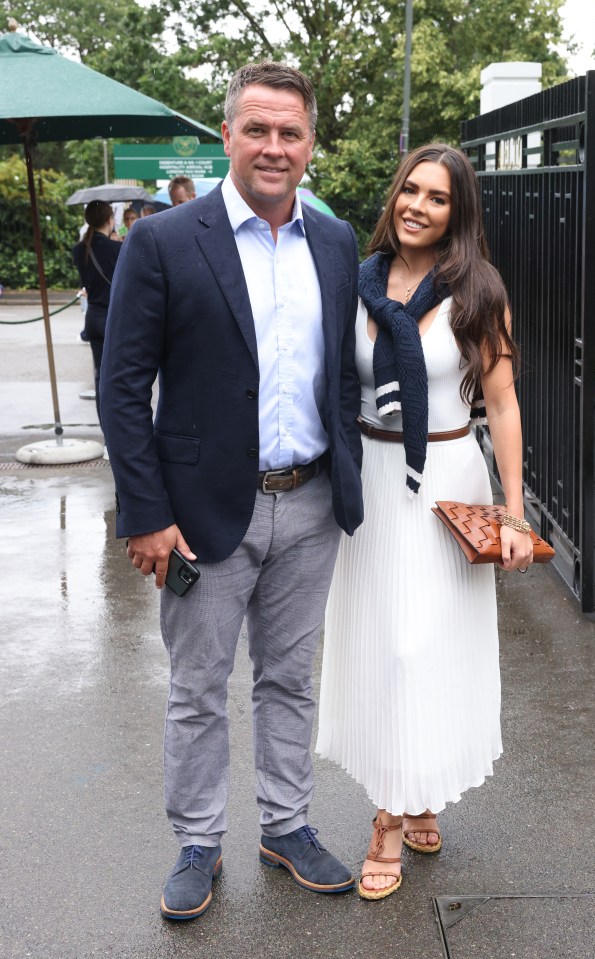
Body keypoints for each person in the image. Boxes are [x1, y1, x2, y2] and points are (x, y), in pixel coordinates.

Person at [99, 60, 363, 920]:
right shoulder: (164, 241)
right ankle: (198, 840)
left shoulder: (334, 242)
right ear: (227, 136)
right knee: (197, 685)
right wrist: (144, 512)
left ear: (310, 142)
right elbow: (122, 384)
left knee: (290, 679)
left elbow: (344, 379)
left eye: (290, 132)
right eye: (257, 129)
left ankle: (285, 824)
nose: (274, 147)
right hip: (201, 515)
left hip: (313, 502)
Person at [316, 142, 533, 900]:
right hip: (371, 483)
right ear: (394, 196)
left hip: (444, 481)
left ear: (456, 212)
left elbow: (500, 403)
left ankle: (390, 814)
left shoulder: (477, 290)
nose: (417, 205)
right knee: (383, 647)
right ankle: (406, 797)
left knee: (423, 650)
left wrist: (512, 509)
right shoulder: (356, 281)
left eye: (437, 197)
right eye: (410, 189)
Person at [72, 200, 121, 433]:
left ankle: (107, 438)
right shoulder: (117, 249)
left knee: (101, 379)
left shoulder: (79, 249)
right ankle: (120, 435)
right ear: (110, 219)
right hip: (117, 319)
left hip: (93, 317)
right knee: (122, 381)